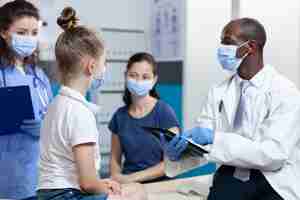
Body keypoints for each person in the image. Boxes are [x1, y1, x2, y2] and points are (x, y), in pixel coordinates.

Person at [162, 18, 300, 200]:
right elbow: (205, 148)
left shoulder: (284, 91)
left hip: (272, 182)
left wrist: (215, 138)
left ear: (250, 47)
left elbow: (273, 155)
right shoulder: (218, 91)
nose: (221, 48)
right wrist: (180, 152)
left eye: (227, 41)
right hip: (229, 176)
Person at [37, 7, 146, 200]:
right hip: (68, 195)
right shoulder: (80, 112)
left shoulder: (56, 104)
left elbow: (76, 172)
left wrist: (102, 183)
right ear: (92, 67)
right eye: (104, 63)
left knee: (127, 188)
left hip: (48, 193)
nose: (105, 69)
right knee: (137, 191)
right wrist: (107, 189)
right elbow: (87, 183)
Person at [0, 1, 53, 199]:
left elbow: (53, 117)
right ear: (4, 32)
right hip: (7, 179)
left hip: (40, 178)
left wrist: (46, 127)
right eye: (21, 33)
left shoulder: (39, 75)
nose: (29, 39)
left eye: (33, 33)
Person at [109, 52, 180, 184]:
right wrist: (116, 179)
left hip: (160, 185)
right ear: (126, 77)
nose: (138, 81)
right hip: (128, 186)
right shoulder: (119, 116)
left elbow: (171, 162)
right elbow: (114, 158)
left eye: (145, 77)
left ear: (154, 80)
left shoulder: (164, 112)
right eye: (133, 76)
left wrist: (131, 178)